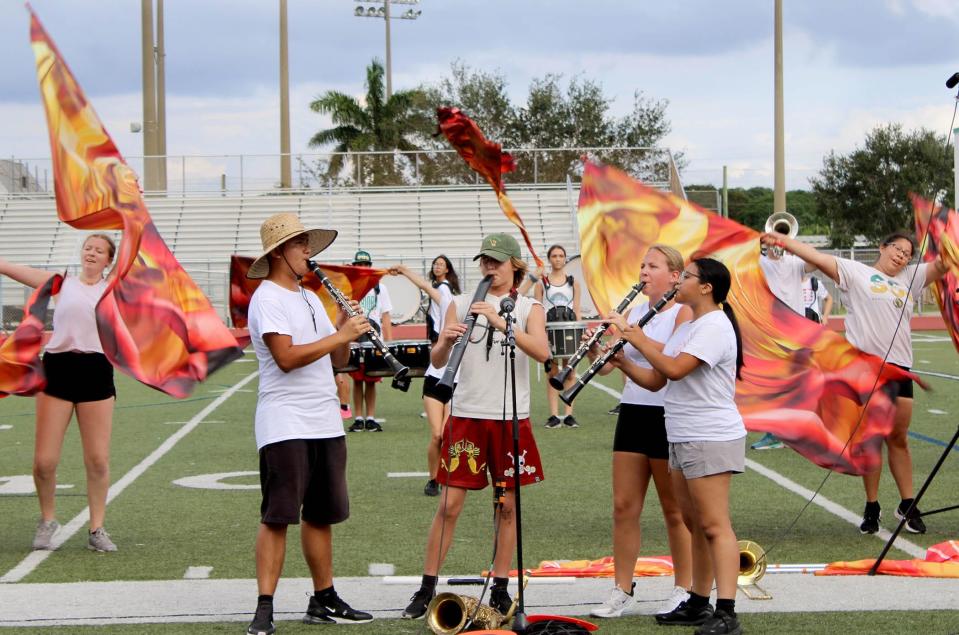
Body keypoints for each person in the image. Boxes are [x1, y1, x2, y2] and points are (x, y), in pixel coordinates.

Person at [401, 232, 550, 620]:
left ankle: (500, 586)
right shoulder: (460, 302)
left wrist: (500, 321)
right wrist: (446, 342)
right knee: (449, 506)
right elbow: (436, 357)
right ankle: (426, 587)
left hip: (510, 420)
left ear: (514, 266)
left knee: (507, 507)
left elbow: (542, 352)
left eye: (496, 262)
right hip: (467, 416)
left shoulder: (530, 307)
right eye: (484, 261)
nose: (488, 267)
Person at [761, 230, 948, 535]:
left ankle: (907, 504)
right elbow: (816, 256)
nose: (901, 256)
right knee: (871, 439)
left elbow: (943, 264)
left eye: (907, 253)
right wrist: (782, 241)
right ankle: (871, 506)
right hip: (864, 368)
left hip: (899, 369)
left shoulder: (910, 278)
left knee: (898, 438)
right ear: (882, 247)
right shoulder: (855, 271)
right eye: (896, 249)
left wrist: (947, 234)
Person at [244, 212, 374, 634]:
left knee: (321, 514)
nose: (308, 252)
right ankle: (265, 606)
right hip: (286, 420)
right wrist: (338, 336)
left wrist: (343, 330)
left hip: (324, 419)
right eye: (301, 245)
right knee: (278, 516)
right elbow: (286, 358)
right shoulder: (267, 298)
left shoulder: (311, 297)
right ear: (280, 251)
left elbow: (337, 359)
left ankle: (324, 596)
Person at [609, 257, 746, 635]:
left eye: (686, 276)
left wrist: (636, 337)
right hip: (682, 433)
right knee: (694, 522)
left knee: (715, 525)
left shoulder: (715, 325)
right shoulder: (693, 325)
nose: (679, 281)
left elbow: (675, 369)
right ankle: (699, 601)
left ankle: (727, 611)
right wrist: (622, 362)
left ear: (706, 287)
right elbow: (656, 380)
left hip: (710, 435)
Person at [586, 244, 693, 619]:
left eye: (653, 266)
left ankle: (684, 588)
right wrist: (597, 348)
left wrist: (631, 335)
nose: (644, 272)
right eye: (642, 265)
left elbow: (669, 358)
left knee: (674, 510)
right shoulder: (635, 312)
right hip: (632, 411)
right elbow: (607, 369)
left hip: (667, 415)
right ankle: (622, 588)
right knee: (624, 506)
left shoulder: (684, 313)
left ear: (675, 275)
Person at [0, 234, 119, 553]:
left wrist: (132, 203)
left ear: (109, 260)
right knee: (44, 461)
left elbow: (144, 253)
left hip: (96, 371)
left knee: (97, 459)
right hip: (58, 370)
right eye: (88, 248)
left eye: (99, 250)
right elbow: (15, 270)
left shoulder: (114, 289)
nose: (91, 253)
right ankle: (48, 519)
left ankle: (96, 528)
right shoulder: (62, 282)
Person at [389, 255, 462, 497]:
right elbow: (424, 286)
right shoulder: (443, 296)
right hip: (435, 376)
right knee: (438, 435)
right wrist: (405, 271)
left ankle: (448, 475)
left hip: (456, 378)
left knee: (448, 434)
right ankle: (433, 479)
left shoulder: (459, 301)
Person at [752, 224, 816, 451]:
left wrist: (787, 243)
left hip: (795, 330)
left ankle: (789, 431)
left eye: (783, 235)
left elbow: (815, 260)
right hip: (768, 329)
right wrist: (762, 241)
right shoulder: (758, 262)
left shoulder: (796, 263)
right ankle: (777, 431)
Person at [534, 244, 582, 429]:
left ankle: (569, 415)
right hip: (550, 333)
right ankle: (554, 415)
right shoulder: (541, 283)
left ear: (565, 258)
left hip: (569, 332)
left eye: (561, 255)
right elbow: (537, 310)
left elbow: (576, 310)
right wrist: (540, 334)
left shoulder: (573, 282)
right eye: (554, 255)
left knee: (570, 372)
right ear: (549, 259)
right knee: (552, 373)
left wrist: (580, 333)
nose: (558, 259)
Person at [347, 249, 392, 432]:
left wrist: (388, 343)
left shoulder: (380, 287)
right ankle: (358, 417)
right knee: (357, 379)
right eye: (360, 264)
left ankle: (371, 417)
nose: (363, 267)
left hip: (374, 339)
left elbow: (386, 315)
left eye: (366, 264)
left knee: (372, 380)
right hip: (355, 338)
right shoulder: (349, 286)